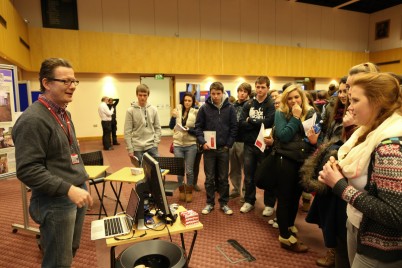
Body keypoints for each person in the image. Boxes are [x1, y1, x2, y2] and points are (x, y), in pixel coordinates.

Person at [12, 58, 93, 267]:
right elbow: (28, 169)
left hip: (74, 193)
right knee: (58, 261)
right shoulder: (33, 120)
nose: (73, 86)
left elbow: (68, 153)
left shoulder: (63, 113)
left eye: (74, 81)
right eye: (66, 81)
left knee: (69, 251)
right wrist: (68, 189)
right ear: (47, 83)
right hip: (55, 201)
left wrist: (82, 179)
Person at [319, 72, 402, 267]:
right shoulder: (367, 131)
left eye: (355, 100)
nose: (350, 106)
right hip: (356, 223)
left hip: (380, 243)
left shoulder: (391, 147)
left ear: (377, 102)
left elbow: (395, 214)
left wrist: (339, 185)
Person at [270, 84, 320, 252]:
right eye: (289, 98)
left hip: (303, 162)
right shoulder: (281, 112)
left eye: (296, 97)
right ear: (285, 99)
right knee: (284, 199)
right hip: (285, 160)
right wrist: (295, 118)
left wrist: (313, 139)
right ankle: (284, 237)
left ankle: (290, 226)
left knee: (295, 198)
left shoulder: (311, 112)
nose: (293, 101)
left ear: (302, 98)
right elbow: (283, 136)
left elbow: (313, 137)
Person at [195, 82, 237, 215]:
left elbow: (234, 128)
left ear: (223, 93)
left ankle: (224, 203)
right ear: (210, 93)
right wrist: (202, 142)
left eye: (218, 93)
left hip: (223, 149)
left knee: (224, 178)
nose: (216, 96)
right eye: (213, 93)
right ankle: (210, 203)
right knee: (209, 178)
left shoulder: (230, 108)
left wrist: (228, 144)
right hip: (208, 149)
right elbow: (198, 127)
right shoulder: (204, 108)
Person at [238, 76, 276, 215]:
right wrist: (257, 122)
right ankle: (249, 201)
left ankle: (269, 204)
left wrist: (251, 120)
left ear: (268, 88)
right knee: (248, 175)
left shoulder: (271, 104)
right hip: (249, 145)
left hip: (264, 146)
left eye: (263, 87)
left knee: (266, 175)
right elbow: (241, 122)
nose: (260, 90)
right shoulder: (248, 104)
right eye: (258, 87)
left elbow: (269, 122)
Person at [169, 92, 199, 202]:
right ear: (183, 100)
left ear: (192, 102)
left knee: (189, 171)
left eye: (189, 101)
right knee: (179, 170)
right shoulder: (177, 110)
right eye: (185, 100)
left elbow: (198, 130)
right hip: (178, 144)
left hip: (191, 145)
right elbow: (171, 126)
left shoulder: (196, 112)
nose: (187, 102)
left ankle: (189, 191)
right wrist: (173, 117)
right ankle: (181, 190)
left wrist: (189, 130)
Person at [124, 84, 161, 163]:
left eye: (145, 95)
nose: (142, 98)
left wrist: (155, 143)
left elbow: (158, 128)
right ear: (137, 95)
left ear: (148, 95)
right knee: (141, 172)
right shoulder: (130, 111)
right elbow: (127, 132)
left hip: (152, 146)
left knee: (156, 171)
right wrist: (130, 149)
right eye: (140, 95)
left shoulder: (154, 109)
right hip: (137, 148)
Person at [228, 82, 251, 200]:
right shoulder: (232, 105)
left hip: (244, 141)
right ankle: (236, 189)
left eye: (245, 91)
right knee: (234, 167)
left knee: (246, 168)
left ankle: (246, 192)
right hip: (233, 140)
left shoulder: (250, 106)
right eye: (240, 91)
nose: (242, 94)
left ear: (248, 94)